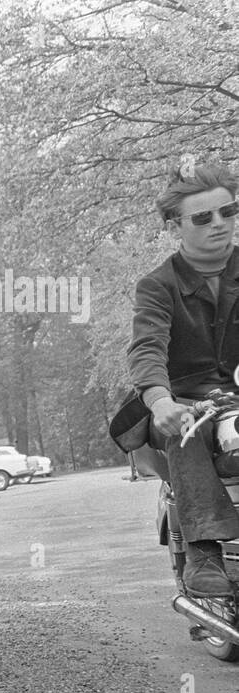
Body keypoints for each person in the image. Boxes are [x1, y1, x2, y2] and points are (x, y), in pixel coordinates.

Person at [128, 162, 239, 596]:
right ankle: (204, 553)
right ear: (176, 227)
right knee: (189, 429)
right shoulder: (157, 286)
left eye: (228, 212)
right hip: (187, 402)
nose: (219, 224)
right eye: (202, 217)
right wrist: (160, 402)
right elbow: (147, 348)